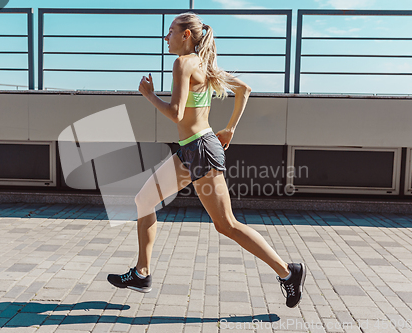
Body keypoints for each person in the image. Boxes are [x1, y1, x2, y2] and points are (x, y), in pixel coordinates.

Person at [107, 12, 306, 308]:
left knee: (226, 224)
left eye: (171, 31)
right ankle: (142, 273)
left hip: (200, 150)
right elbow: (244, 89)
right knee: (143, 201)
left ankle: (288, 272)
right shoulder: (205, 64)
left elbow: (175, 113)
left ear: (186, 35)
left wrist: (148, 95)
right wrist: (230, 129)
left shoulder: (183, 63)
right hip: (193, 148)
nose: (166, 37)